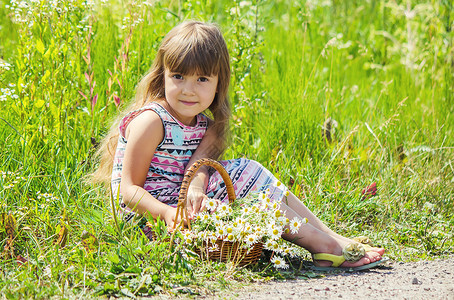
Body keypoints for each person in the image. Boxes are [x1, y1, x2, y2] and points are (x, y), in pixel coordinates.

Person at [93, 21, 386, 270]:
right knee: (251, 200)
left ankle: (330, 236)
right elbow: (127, 191)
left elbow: (199, 168)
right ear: (163, 75)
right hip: (151, 218)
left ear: (219, 84)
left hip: (180, 200)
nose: (188, 89)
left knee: (249, 171)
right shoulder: (152, 121)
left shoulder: (206, 125)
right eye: (178, 76)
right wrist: (169, 213)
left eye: (202, 79)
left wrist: (195, 187)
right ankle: (321, 245)